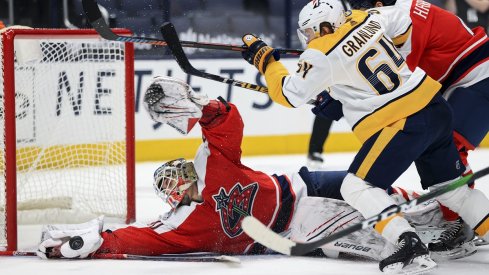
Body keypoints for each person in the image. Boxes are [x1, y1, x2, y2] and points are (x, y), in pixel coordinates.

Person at [240, 0, 489, 273]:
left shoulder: (320, 53)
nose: (308, 38)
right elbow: (402, 31)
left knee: (356, 186)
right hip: (434, 106)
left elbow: (288, 94)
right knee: (453, 191)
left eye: (310, 32)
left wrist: (266, 61)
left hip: (405, 122)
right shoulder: (368, 18)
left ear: (324, 26)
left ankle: (409, 245)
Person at [36, 76, 402, 261]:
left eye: (178, 170)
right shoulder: (184, 224)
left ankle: (433, 207)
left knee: (372, 186)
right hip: (293, 229)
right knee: (377, 239)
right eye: (173, 180)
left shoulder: (210, 167)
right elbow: (145, 238)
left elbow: (226, 126)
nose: (182, 175)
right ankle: (418, 231)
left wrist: (202, 105)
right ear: (175, 195)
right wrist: (100, 242)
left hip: (300, 185)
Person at [346, 0, 489, 260]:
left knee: (447, 145)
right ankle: (463, 218)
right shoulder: (401, 11)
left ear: (378, 5)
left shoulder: (401, 20)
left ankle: (462, 223)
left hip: (478, 76)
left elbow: (397, 85)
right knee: (440, 143)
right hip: (467, 78)